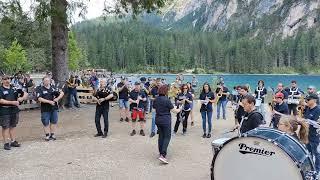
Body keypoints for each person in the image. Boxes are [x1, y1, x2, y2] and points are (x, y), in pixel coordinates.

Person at [153, 85, 181, 164]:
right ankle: (163, 155)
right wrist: (180, 109)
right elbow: (174, 111)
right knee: (167, 137)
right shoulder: (166, 100)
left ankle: (160, 152)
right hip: (165, 120)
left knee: (161, 136)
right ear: (165, 91)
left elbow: (154, 109)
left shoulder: (156, 99)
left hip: (158, 119)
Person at [0, 75, 28, 150]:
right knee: (5, 127)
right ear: (2, 80)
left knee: (12, 126)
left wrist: (22, 98)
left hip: (14, 110)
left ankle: (13, 141)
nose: (7, 80)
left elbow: (25, 92)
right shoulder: (0, 89)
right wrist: (12, 102)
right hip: (4, 111)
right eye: (5, 79)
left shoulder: (14, 88)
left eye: (8, 79)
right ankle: (6, 143)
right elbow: (1, 100)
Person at [37, 77, 64, 141]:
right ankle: (47, 135)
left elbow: (62, 93)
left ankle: (52, 134)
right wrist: (49, 102)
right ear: (43, 81)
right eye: (45, 80)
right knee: (45, 122)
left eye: (48, 80)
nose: (47, 82)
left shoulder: (54, 87)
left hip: (54, 108)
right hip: (45, 109)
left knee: (53, 121)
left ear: (50, 81)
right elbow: (39, 98)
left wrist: (57, 98)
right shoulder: (40, 89)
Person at [303, 93, 320, 174]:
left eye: (308, 100)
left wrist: (308, 121)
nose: (307, 101)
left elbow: (318, 124)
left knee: (316, 154)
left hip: (315, 136)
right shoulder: (308, 108)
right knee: (308, 153)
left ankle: (317, 170)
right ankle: (309, 168)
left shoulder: (318, 110)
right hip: (307, 135)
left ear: (314, 100)